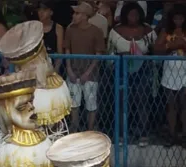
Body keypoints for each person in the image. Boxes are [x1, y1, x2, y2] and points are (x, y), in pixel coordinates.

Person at [109, 2, 156, 146]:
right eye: (130, 14)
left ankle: (143, 133)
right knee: (123, 102)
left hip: (143, 70)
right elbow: (110, 52)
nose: (133, 17)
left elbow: (156, 49)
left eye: (136, 14)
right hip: (121, 70)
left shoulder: (147, 30)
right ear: (124, 15)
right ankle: (123, 134)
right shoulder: (116, 31)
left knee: (142, 101)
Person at [155, 6, 186, 144]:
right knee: (171, 103)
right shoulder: (166, 31)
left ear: (185, 19)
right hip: (169, 70)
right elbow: (157, 49)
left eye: (181, 18)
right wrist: (172, 45)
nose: (178, 21)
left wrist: (183, 44)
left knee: (185, 103)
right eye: (175, 18)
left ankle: (185, 134)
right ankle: (172, 134)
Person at [66, 2, 106, 133]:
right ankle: (74, 128)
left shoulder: (96, 31)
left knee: (91, 104)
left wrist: (88, 73)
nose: (74, 15)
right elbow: (67, 50)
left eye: (77, 13)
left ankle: (90, 130)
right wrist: (69, 70)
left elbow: (98, 54)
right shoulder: (70, 29)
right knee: (73, 103)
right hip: (74, 72)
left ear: (84, 16)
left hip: (91, 75)